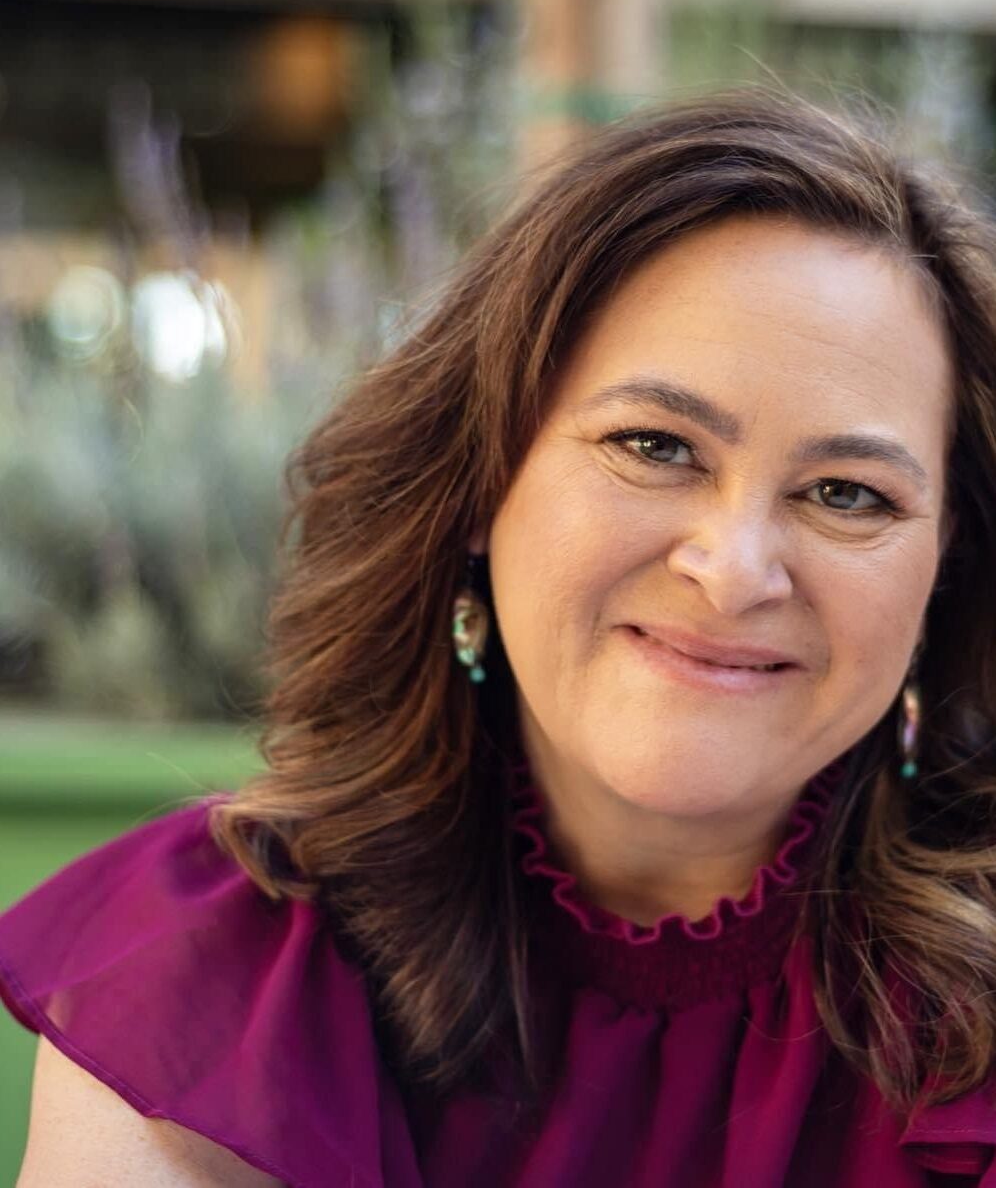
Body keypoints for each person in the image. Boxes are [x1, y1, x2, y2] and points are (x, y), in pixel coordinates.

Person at [5, 92, 996, 1188]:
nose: (735, 569)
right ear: (480, 483)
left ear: (946, 563)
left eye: (847, 493)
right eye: (655, 444)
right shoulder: (212, 969)